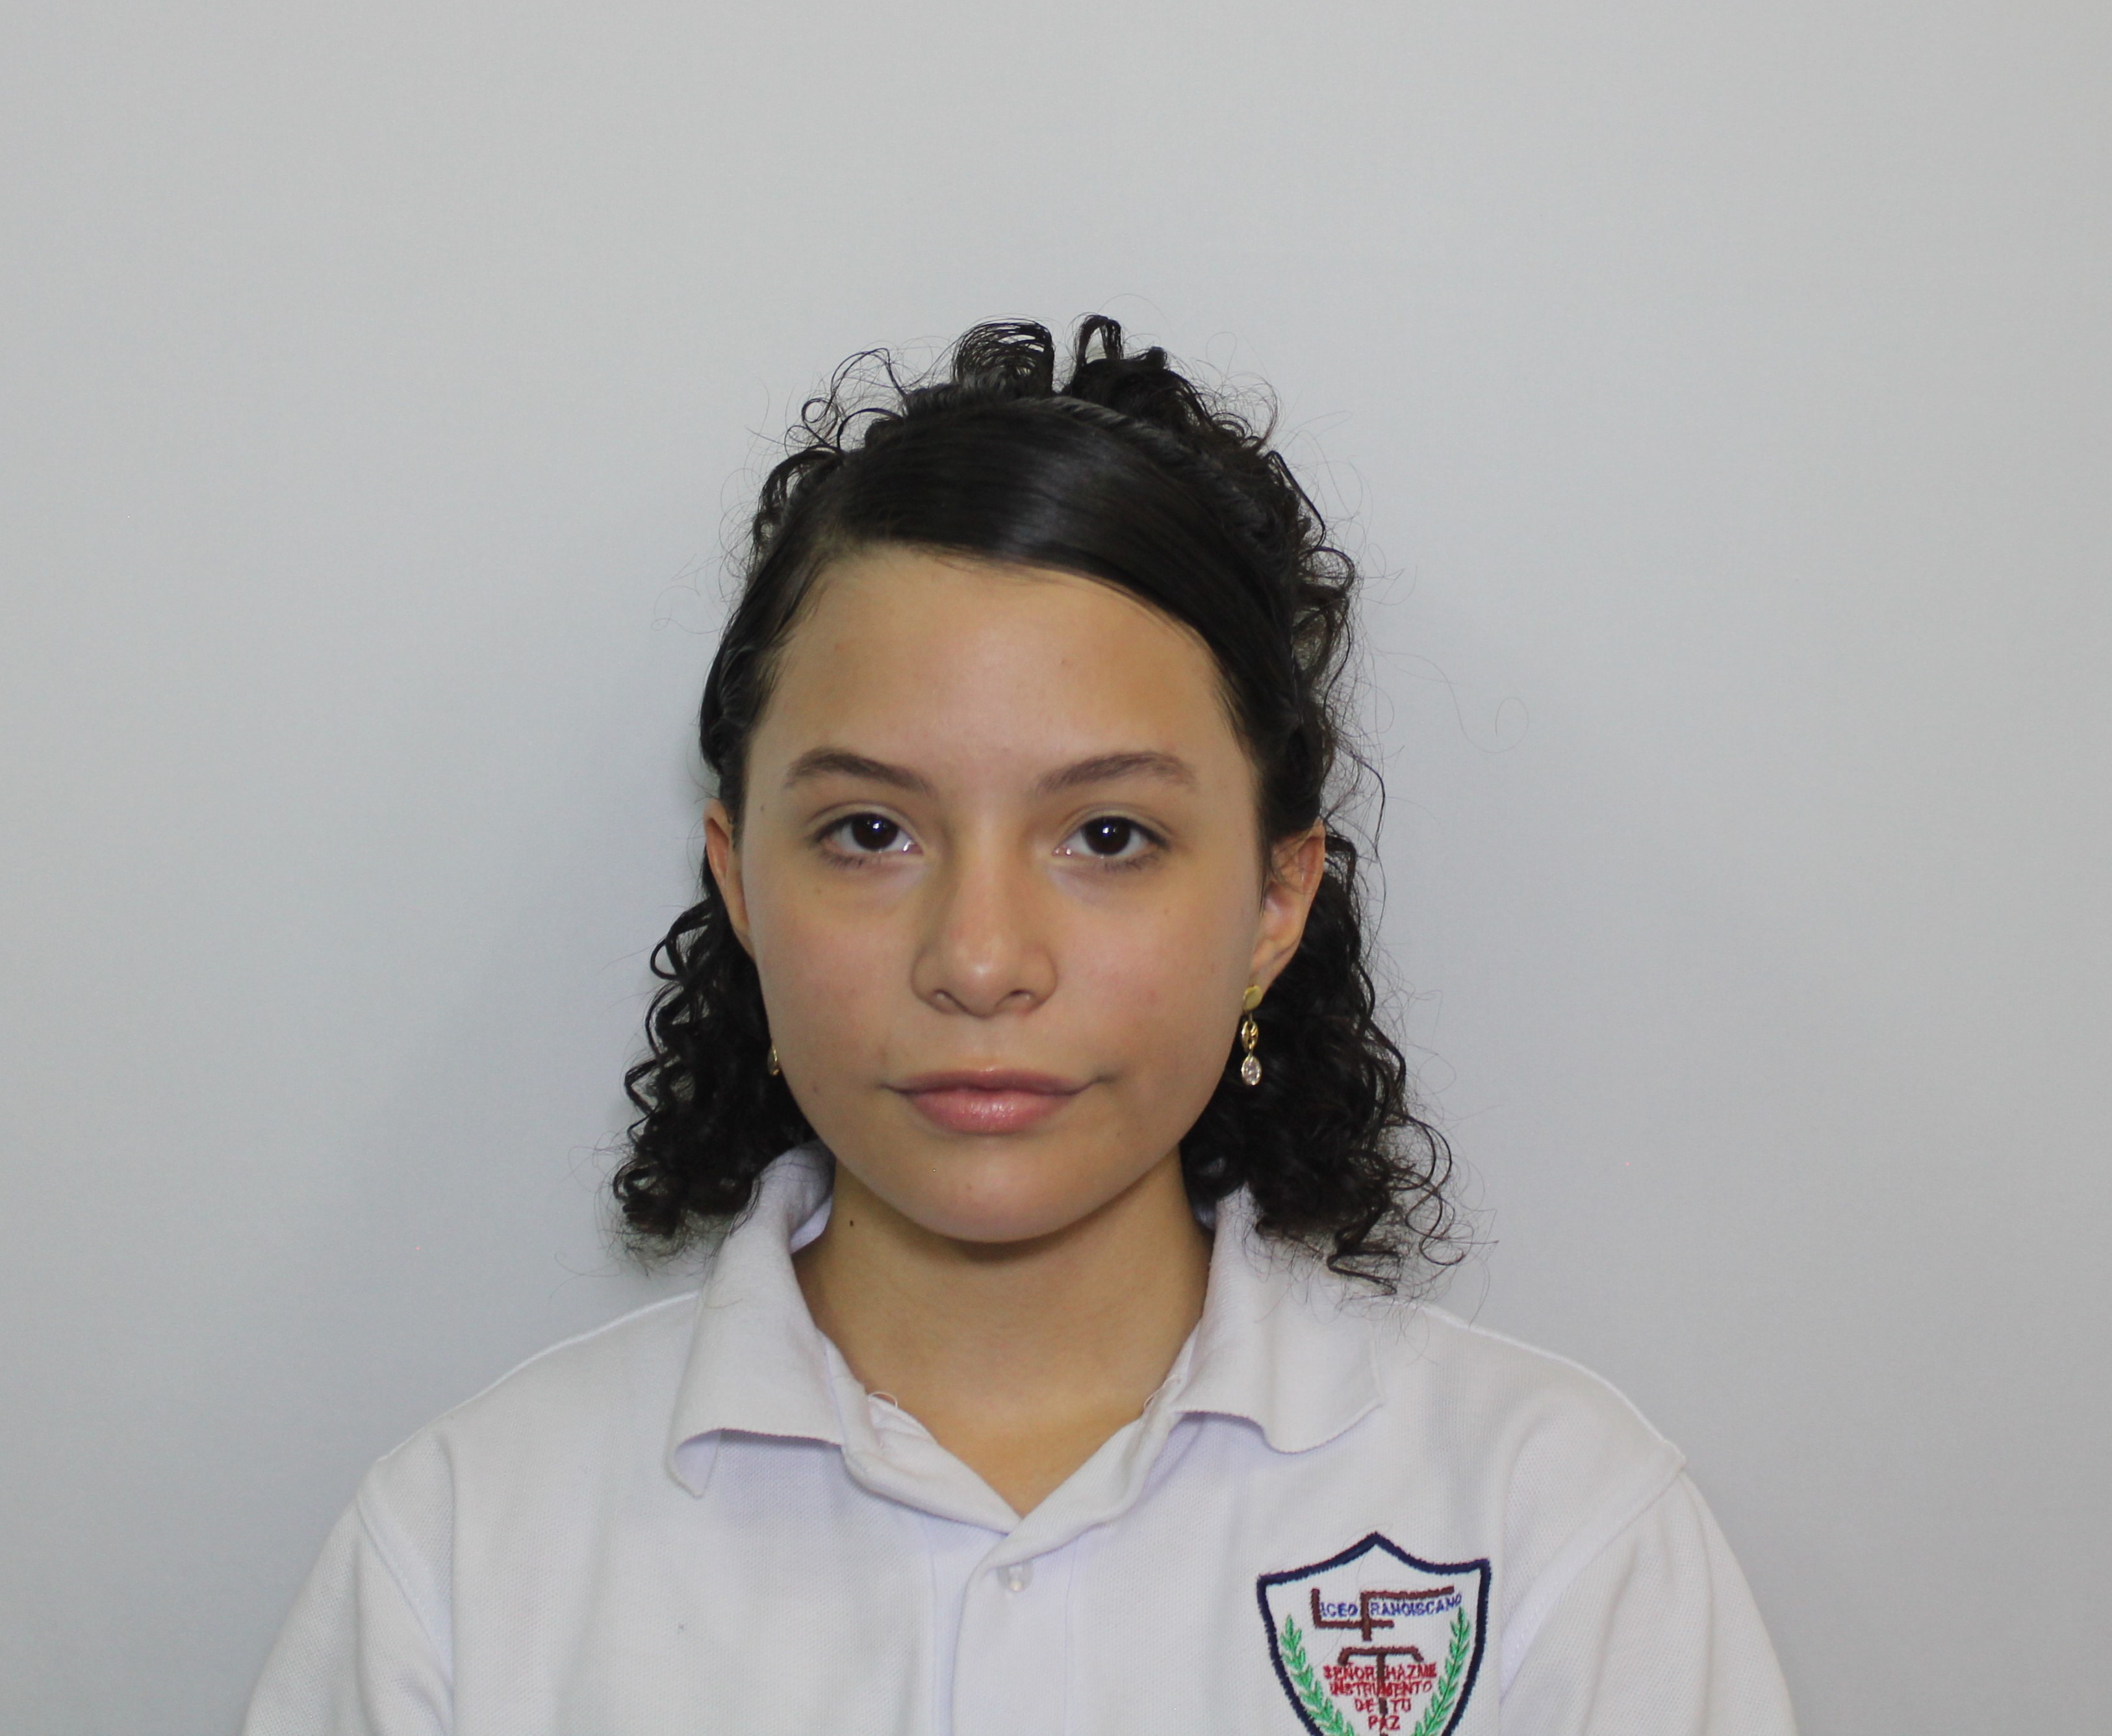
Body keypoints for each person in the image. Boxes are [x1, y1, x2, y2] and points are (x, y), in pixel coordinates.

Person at [245, 318, 1798, 1735]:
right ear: (739, 880)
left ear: (1276, 897)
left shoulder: (1560, 1538)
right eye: (869, 831)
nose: (980, 961)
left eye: (1108, 835)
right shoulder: (460, 1566)